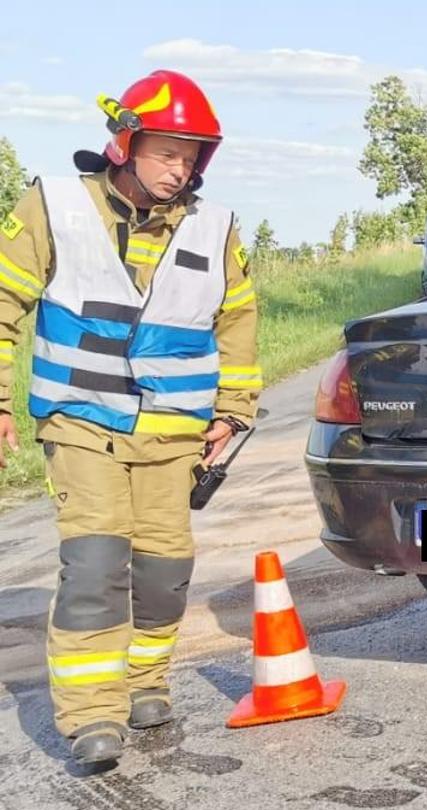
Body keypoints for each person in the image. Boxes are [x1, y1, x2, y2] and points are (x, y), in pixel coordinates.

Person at [0, 70, 259, 764]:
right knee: (94, 565)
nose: (180, 169)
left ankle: (146, 682)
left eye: (190, 156)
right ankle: (92, 713)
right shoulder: (55, 206)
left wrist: (233, 410)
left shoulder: (216, 226)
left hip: (173, 432)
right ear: (125, 143)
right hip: (82, 423)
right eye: (166, 152)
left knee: (162, 573)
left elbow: (238, 319)